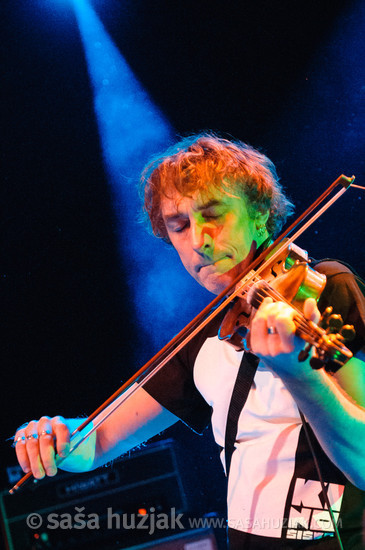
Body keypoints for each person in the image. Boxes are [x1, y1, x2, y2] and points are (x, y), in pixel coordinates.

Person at [13, 134, 365, 549]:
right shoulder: (209, 334)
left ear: (258, 214)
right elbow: (98, 443)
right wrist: (53, 438)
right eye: (180, 227)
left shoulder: (323, 288)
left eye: (214, 215)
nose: (199, 240)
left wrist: (301, 373)